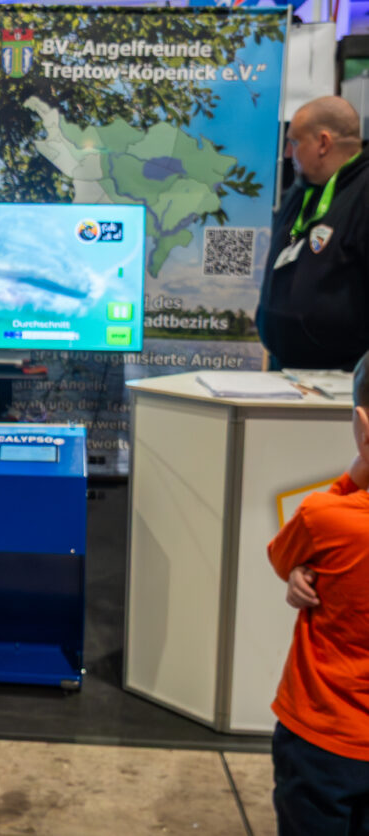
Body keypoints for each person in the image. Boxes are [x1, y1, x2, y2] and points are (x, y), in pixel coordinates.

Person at [267, 348, 369, 834]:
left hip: (322, 736)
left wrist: (351, 477)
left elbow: (280, 556)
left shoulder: (324, 516)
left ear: (363, 426)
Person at [256, 95, 369, 371]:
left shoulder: (363, 194)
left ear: (323, 143)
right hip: (286, 369)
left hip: (340, 377)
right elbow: (290, 249)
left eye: (294, 142)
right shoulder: (302, 189)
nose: (287, 153)